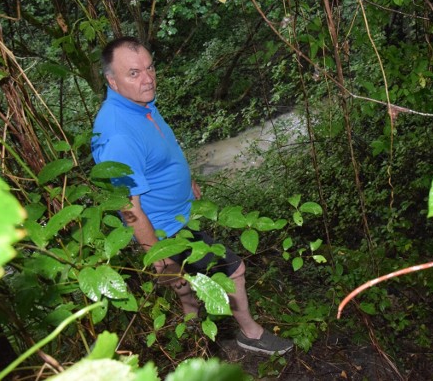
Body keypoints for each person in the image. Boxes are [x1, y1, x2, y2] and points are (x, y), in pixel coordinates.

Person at [91, 36, 293, 355]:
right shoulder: (118, 134)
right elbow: (129, 211)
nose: (147, 78)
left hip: (180, 213)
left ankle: (190, 325)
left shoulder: (139, 104)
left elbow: (157, 153)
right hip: (166, 230)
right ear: (111, 80)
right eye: (134, 73)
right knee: (234, 270)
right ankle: (251, 334)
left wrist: (186, 182)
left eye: (150, 67)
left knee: (185, 282)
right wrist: (160, 261)